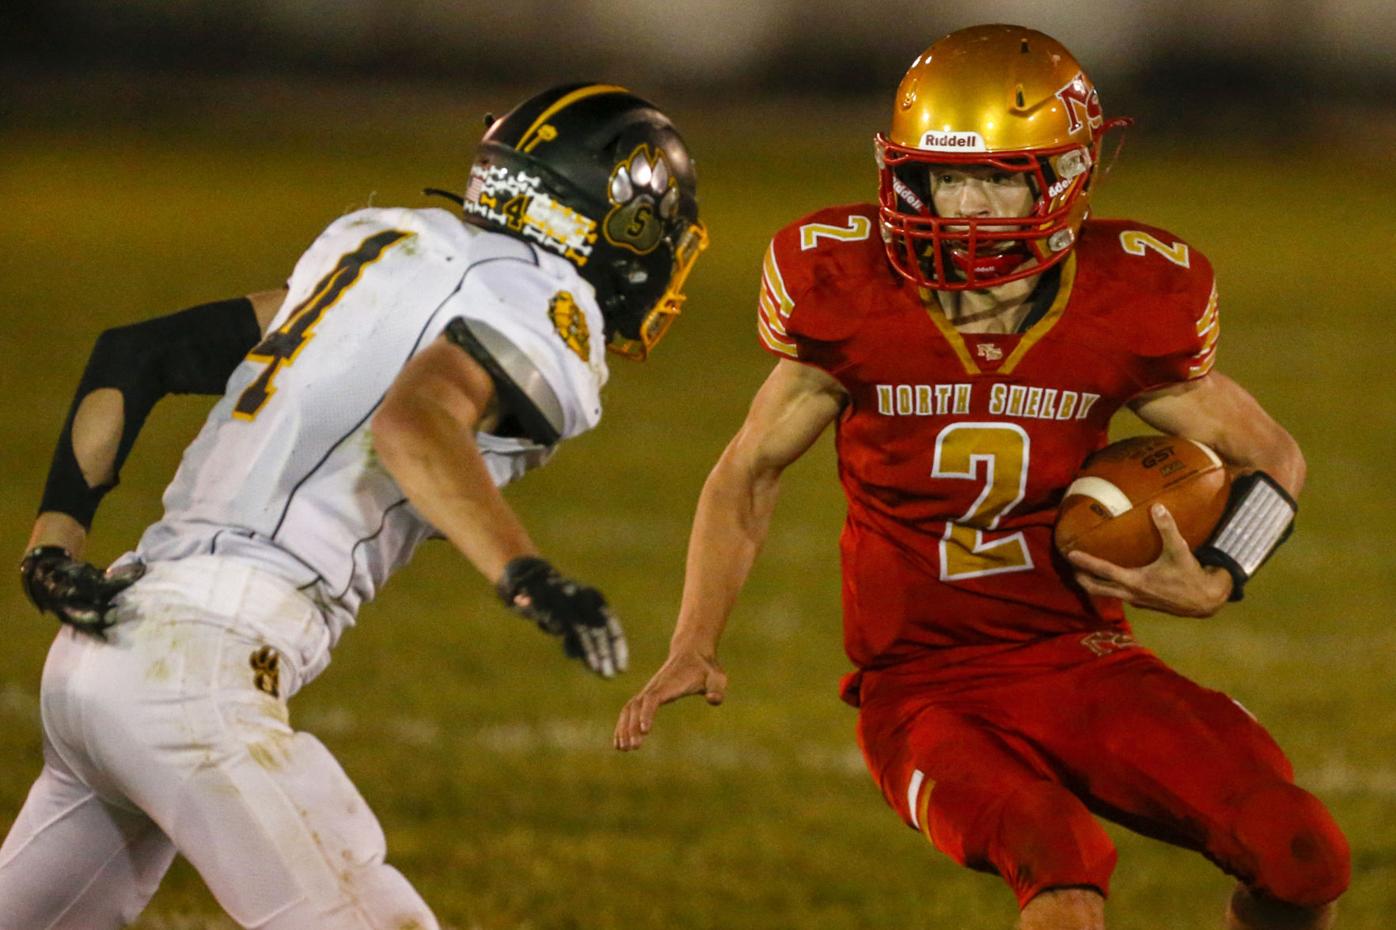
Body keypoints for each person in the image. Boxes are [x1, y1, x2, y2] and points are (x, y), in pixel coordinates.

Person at [614, 24, 1348, 930]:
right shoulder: (850, 296)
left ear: (1066, 178)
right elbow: (748, 472)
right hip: (923, 689)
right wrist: (693, 640)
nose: (962, 207)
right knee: (1061, 864)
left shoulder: (1122, 304)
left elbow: (1274, 454)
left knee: (1302, 855)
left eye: (997, 179)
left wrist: (1223, 572)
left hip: (1081, 659)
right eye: (941, 178)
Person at [2, 82, 706, 930]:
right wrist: (526, 575)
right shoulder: (543, 302)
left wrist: (51, 549)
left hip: (101, 652)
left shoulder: (385, 245)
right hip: (198, 668)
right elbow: (414, 421)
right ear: (615, 219)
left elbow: (137, 355)